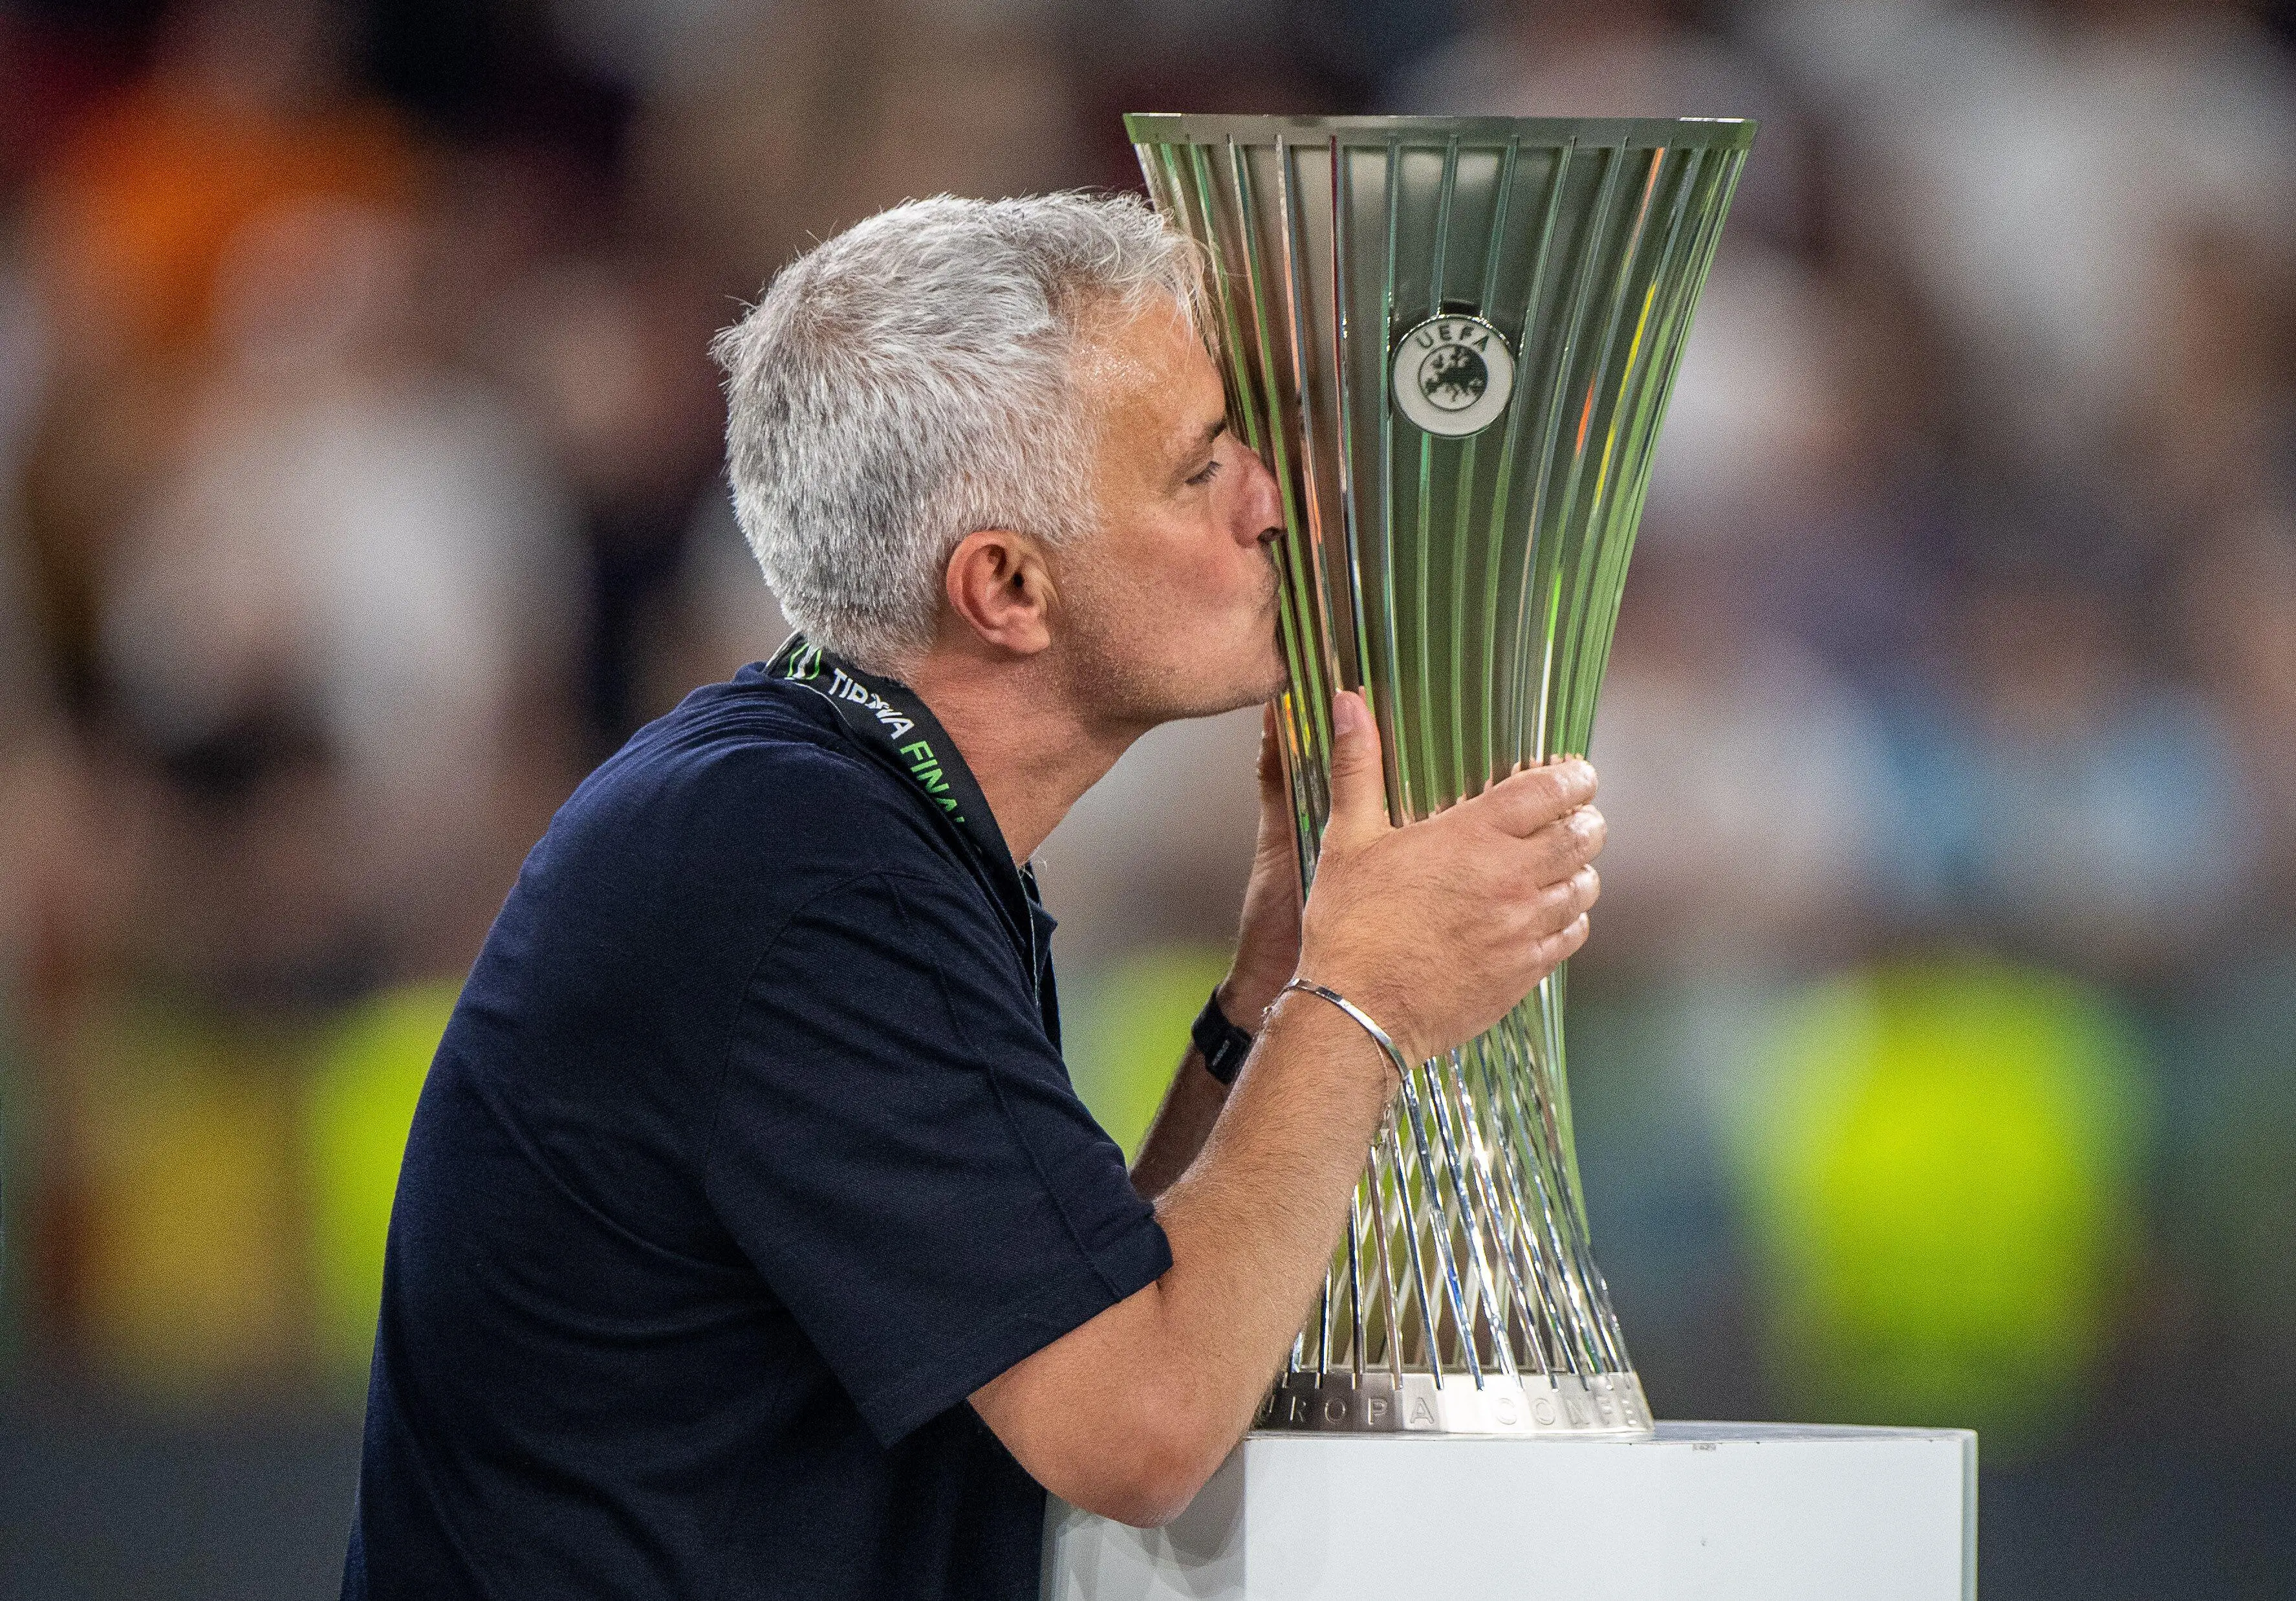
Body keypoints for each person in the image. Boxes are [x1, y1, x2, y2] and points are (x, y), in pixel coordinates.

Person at [343, 193, 1606, 1600]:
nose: (1273, 500)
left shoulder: (811, 813)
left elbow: (1073, 1325)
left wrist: (1269, 990)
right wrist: (1359, 995)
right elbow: (1137, 1427)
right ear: (1004, 587)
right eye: (1200, 469)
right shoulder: (791, 868)